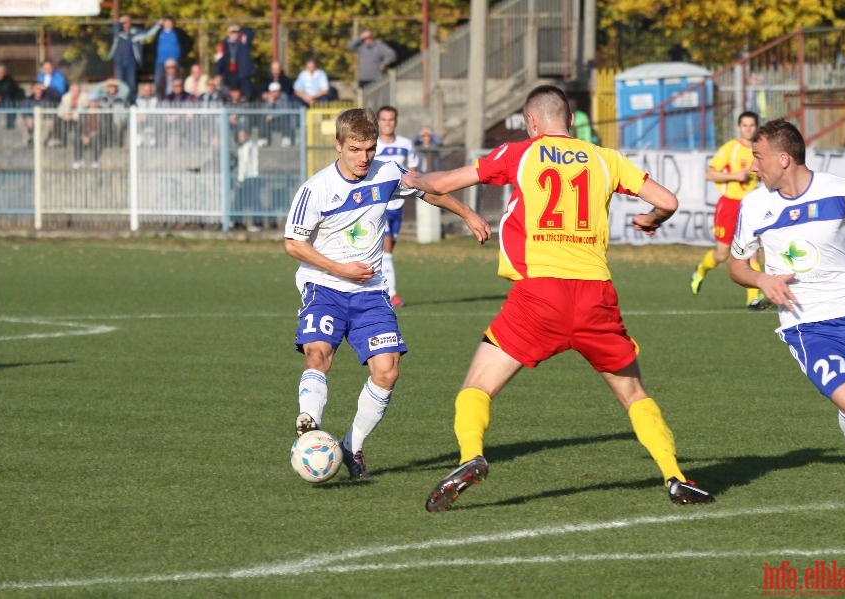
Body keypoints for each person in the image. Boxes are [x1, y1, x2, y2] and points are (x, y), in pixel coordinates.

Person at [400, 85, 715, 512]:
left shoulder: (520, 153)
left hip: (540, 295)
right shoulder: (606, 159)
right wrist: (652, 219)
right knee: (634, 393)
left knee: (476, 386)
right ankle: (675, 477)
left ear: (532, 123)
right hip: (595, 295)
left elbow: (443, 183)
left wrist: (415, 179)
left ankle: (471, 456)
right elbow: (668, 201)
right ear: (569, 121)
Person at [284, 107, 491, 481]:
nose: (364, 157)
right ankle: (310, 424)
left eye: (370, 149)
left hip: (370, 294)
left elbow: (428, 192)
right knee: (318, 353)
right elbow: (293, 244)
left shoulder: (387, 172)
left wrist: (468, 214)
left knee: (387, 371)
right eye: (355, 149)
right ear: (338, 145)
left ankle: (352, 446)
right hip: (325, 287)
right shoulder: (315, 190)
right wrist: (340, 268)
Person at [728, 118, 845, 504]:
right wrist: (760, 280)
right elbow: (736, 265)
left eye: (757, 156)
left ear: (784, 159)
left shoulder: (841, 190)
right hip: (806, 324)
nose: (752, 165)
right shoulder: (753, 205)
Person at [690, 111, 770, 310]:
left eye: (752, 125)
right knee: (722, 254)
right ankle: (701, 269)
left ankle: (753, 299)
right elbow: (710, 174)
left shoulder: (762, 150)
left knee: (752, 252)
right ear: (739, 127)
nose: (748, 129)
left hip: (751, 206)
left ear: (757, 127)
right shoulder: (730, 149)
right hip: (729, 205)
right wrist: (735, 175)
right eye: (745, 125)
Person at [374, 105, 419, 307]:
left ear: (396, 121)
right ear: (378, 122)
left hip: (397, 206)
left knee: (387, 251)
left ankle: (376, 289)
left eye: (391, 119)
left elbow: (413, 172)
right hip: (378, 205)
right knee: (386, 248)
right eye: (383, 120)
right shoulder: (372, 145)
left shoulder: (406, 144)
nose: (387, 123)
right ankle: (391, 294)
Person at [108, 15, 162, 103]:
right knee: (121, 83)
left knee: (131, 83)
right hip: (119, 61)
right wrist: (119, 22)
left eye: (127, 22)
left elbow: (148, 34)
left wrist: (158, 25)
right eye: (123, 22)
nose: (125, 24)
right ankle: (121, 102)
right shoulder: (118, 32)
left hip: (131, 62)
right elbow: (112, 30)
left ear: (130, 22)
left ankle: (132, 103)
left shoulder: (135, 32)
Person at [215, 24, 256, 102]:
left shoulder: (243, 42)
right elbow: (218, 60)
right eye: (232, 32)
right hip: (229, 74)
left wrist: (240, 28)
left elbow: (251, 33)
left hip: (242, 74)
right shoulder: (223, 45)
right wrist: (217, 73)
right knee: (226, 95)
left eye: (236, 32)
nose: (234, 34)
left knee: (247, 95)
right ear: (228, 33)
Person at [152, 17, 192, 91]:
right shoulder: (159, 32)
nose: (168, 25)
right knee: (158, 79)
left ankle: (176, 97)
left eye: (170, 23)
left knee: (176, 80)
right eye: (166, 23)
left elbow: (189, 41)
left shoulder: (178, 32)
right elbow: (154, 44)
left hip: (174, 61)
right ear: (163, 24)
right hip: (161, 61)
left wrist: (182, 54)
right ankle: (158, 97)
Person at [257, 81, 293, 147]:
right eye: (272, 91)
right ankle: (262, 139)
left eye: (275, 91)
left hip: (280, 120)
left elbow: (284, 110)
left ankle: (286, 139)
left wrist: (273, 115)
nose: (274, 93)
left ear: (279, 91)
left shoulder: (284, 97)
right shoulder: (268, 98)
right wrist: (270, 103)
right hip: (271, 122)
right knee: (263, 118)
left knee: (285, 117)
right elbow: (263, 111)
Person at [0, 64, 21, 129]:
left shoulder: (9, 79)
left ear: (4, 73)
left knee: (9, 103)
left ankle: (10, 125)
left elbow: (11, 92)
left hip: (8, 100)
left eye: (0, 73)